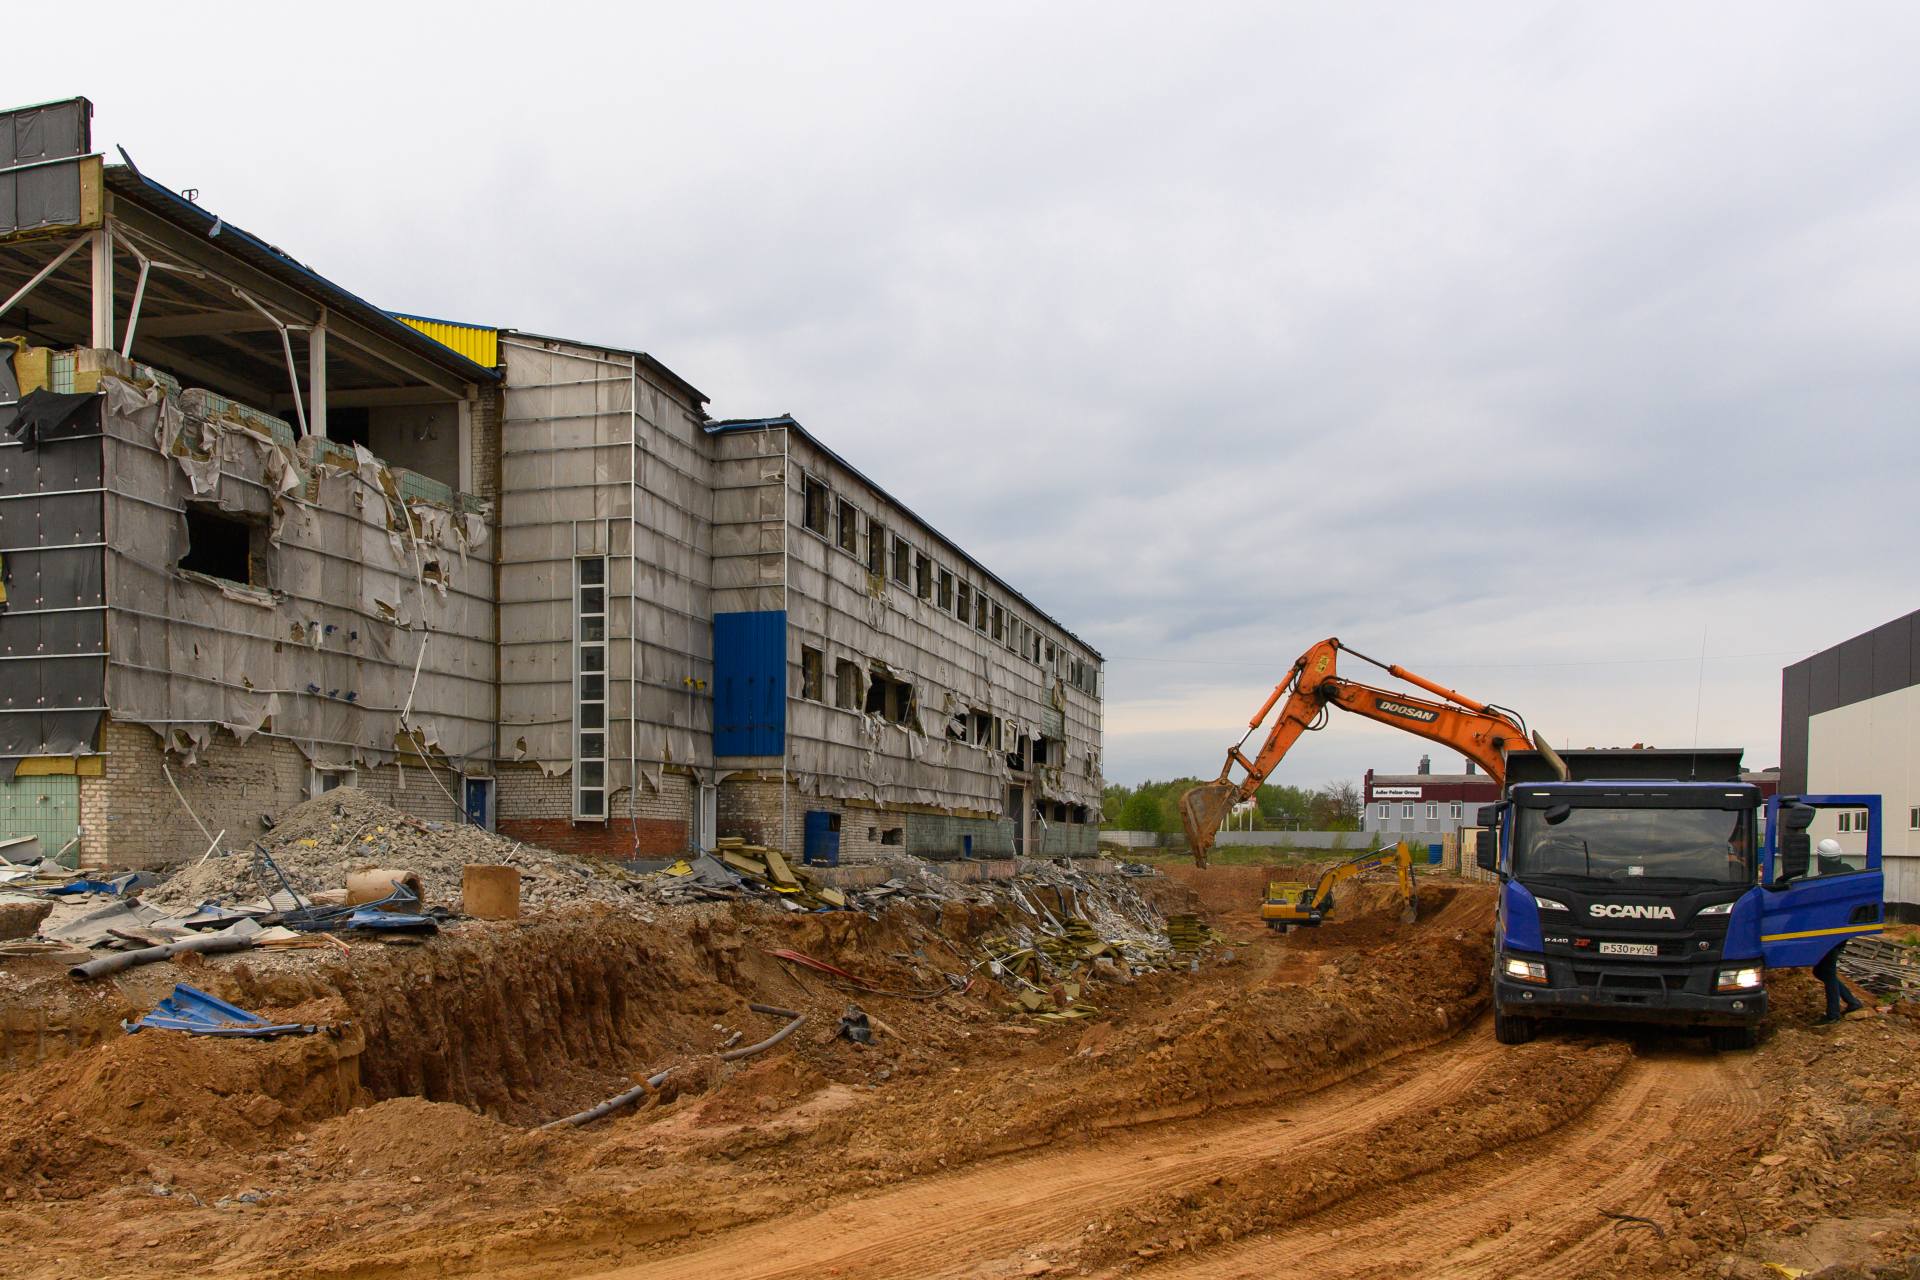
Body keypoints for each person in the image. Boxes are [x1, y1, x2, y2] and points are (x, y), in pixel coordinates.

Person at [1812, 940, 1865, 1024]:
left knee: (1828, 973)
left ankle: (1833, 1015)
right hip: (1833, 942)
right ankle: (1852, 1002)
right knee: (1819, 972)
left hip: (1830, 942)